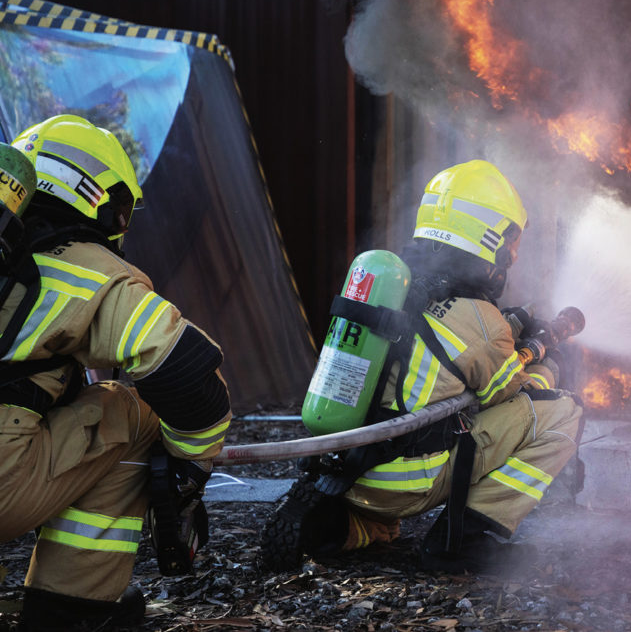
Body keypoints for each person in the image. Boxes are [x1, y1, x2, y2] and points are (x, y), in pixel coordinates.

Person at [262, 159, 583, 575]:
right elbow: (512, 395)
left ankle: (332, 526)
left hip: (343, 464)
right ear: (491, 236)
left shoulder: (395, 282)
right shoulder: (480, 319)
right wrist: (550, 362)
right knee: (561, 411)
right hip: (406, 483)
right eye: (511, 240)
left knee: (385, 525)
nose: (511, 253)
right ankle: (461, 544)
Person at [0, 115, 232, 631]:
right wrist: (192, 465)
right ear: (93, 195)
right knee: (131, 412)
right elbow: (184, 367)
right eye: (120, 210)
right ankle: (71, 610)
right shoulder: (85, 269)